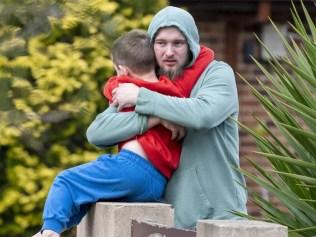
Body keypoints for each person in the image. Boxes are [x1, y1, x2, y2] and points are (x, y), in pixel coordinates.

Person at [32, 29, 213, 237]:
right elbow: (203, 58)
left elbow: (110, 89)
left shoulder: (126, 89)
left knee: (66, 181)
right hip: (157, 181)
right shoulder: (171, 91)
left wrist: (119, 82)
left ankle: (50, 231)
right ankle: (58, 229)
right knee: (91, 194)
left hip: (132, 167)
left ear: (122, 70)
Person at [87, 6, 248, 229]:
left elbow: (203, 114)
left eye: (177, 43)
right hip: (167, 220)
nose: (169, 52)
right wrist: (154, 118)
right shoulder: (148, 81)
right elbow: (98, 132)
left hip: (219, 218)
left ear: (191, 44)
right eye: (161, 43)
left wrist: (143, 99)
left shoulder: (217, 73)